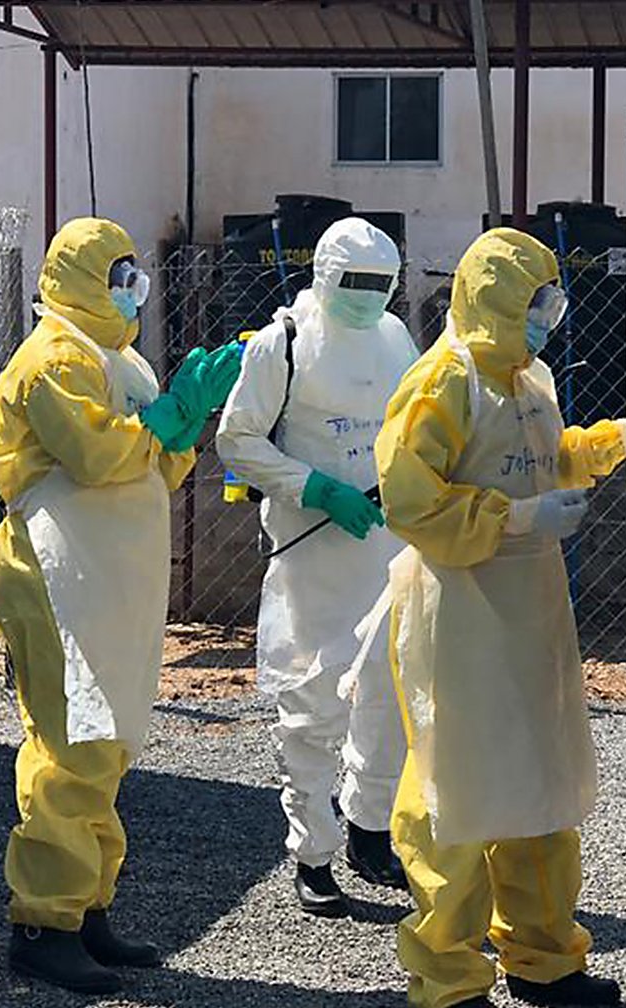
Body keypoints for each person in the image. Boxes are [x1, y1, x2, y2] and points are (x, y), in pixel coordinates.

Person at [372, 228, 626, 1008]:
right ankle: (447, 974)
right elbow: (408, 499)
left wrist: (614, 445)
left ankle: (543, 955)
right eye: (536, 301)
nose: (549, 317)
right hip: (460, 607)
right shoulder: (442, 382)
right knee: (457, 787)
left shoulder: (531, 378)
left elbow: (548, 459)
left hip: (528, 611)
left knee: (537, 779)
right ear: (497, 301)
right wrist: (521, 517)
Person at [0, 217, 242, 994]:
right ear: (85, 280)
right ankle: (42, 922)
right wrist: (162, 423)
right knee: (72, 745)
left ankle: (85, 909)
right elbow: (96, 456)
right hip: (51, 575)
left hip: (103, 581)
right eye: (120, 275)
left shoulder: (118, 359)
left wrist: (185, 425)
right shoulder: (53, 358)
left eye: (137, 275)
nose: (133, 290)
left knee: (107, 745)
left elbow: (151, 469)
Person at [216, 218, 419, 917]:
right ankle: (312, 853)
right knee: (312, 700)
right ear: (325, 277)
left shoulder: (394, 337)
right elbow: (237, 440)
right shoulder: (285, 345)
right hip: (313, 552)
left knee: (386, 696)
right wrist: (315, 488)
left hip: (389, 546)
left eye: (379, 286)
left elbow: (416, 421)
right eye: (354, 284)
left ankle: (370, 829)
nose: (367, 298)